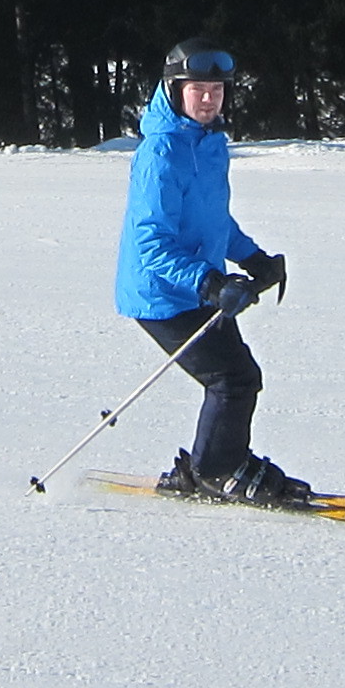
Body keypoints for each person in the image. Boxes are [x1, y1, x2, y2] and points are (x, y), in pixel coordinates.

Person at [116, 37, 306, 506]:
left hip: (196, 287)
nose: (208, 99)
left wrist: (254, 258)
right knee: (232, 379)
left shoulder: (210, 143)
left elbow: (212, 221)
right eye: (197, 89)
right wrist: (209, 282)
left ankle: (221, 461)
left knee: (239, 377)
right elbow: (151, 243)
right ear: (174, 90)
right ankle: (215, 471)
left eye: (217, 90)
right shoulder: (161, 153)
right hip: (161, 294)